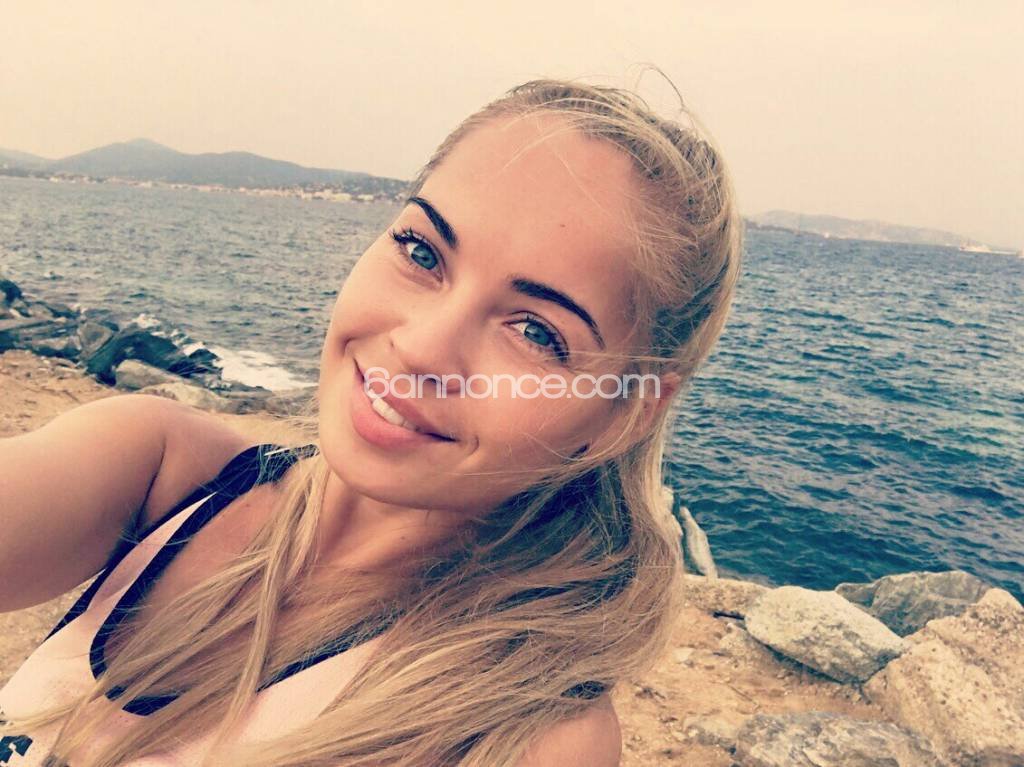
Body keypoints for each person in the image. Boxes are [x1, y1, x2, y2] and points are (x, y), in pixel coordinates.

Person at [0, 75, 742, 766]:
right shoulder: (160, 469)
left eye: (536, 331)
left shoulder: (525, 735)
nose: (420, 347)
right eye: (422, 251)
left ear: (623, 414)